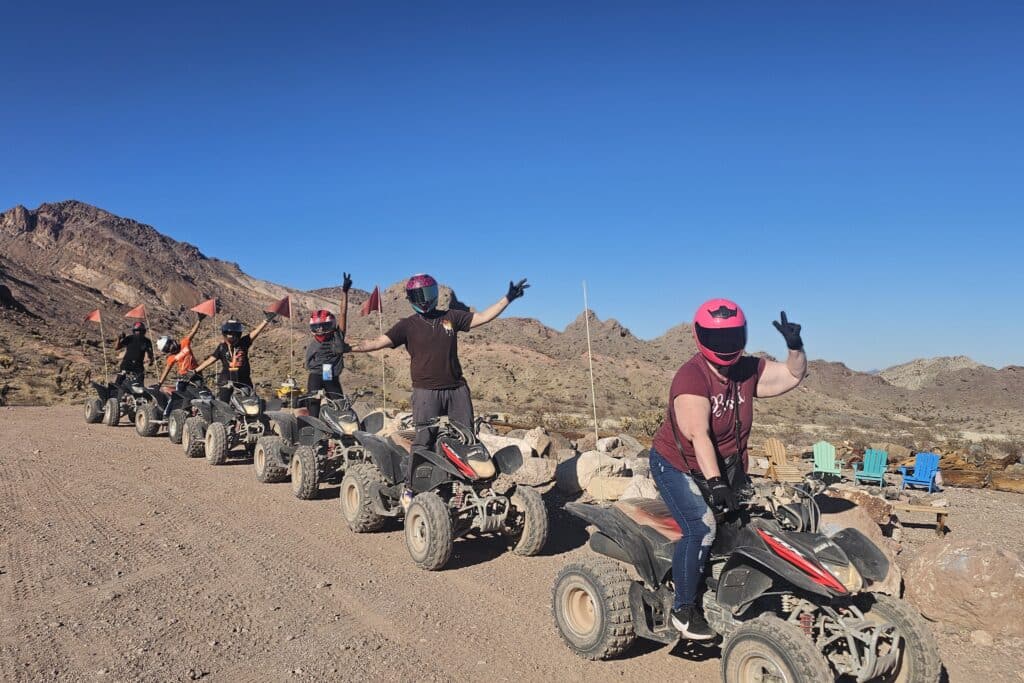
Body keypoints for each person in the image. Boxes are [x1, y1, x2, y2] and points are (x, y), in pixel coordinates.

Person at [649, 299, 806, 640]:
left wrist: (795, 347)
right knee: (702, 525)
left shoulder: (746, 370)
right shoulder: (692, 377)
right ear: (700, 337)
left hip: (727, 468)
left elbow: (793, 375)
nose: (725, 346)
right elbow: (698, 434)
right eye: (717, 339)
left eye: (732, 337)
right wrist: (716, 484)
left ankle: (729, 588)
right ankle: (684, 608)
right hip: (677, 466)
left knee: (743, 527)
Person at [351, 273, 529, 508]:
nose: (424, 299)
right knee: (423, 440)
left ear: (435, 295)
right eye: (419, 295)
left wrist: (508, 298)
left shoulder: (451, 317)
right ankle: (410, 487)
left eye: (428, 294)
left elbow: (484, 317)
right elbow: (374, 343)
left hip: (457, 390)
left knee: (466, 438)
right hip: (426, 393)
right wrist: (347, 348)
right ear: (411, 298)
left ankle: (465, 489)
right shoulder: (407, 325)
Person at [194, 312, 277, 402]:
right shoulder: (222, 347)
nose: (231, 336)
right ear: (225, 334)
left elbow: (256, 332)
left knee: (251, 402)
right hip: (226, 380)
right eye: (229, 334)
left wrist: (266, 321)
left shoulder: (243, 342)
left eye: (234, 334)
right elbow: (210, 360)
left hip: (244, 379)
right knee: (224, 404)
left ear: (238, 334)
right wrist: (195, 371)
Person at [304, 273, 352, 418]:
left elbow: (343, 312)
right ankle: (313, 435)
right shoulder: (316, 342)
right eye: (318, 328)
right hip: (317, 373)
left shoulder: (338, 335)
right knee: (313, 408)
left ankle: (338, 434)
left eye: (324, 327)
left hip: (329, 373)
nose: (321, 330)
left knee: (339, 406)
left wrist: (345, 292)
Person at [113, 321, 154, 395]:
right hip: (126, 364)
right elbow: (117, 348)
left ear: (143, 332)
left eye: (140, 331)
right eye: (136, 331)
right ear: (134, 331)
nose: (138, 333)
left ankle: (139, 399)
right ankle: (113, 397)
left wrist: (151, 360)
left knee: (140, 385)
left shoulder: (147, 341)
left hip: (138, 365)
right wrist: (119, 339)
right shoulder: (129, 338)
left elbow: (150, 353)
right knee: (118, 382)